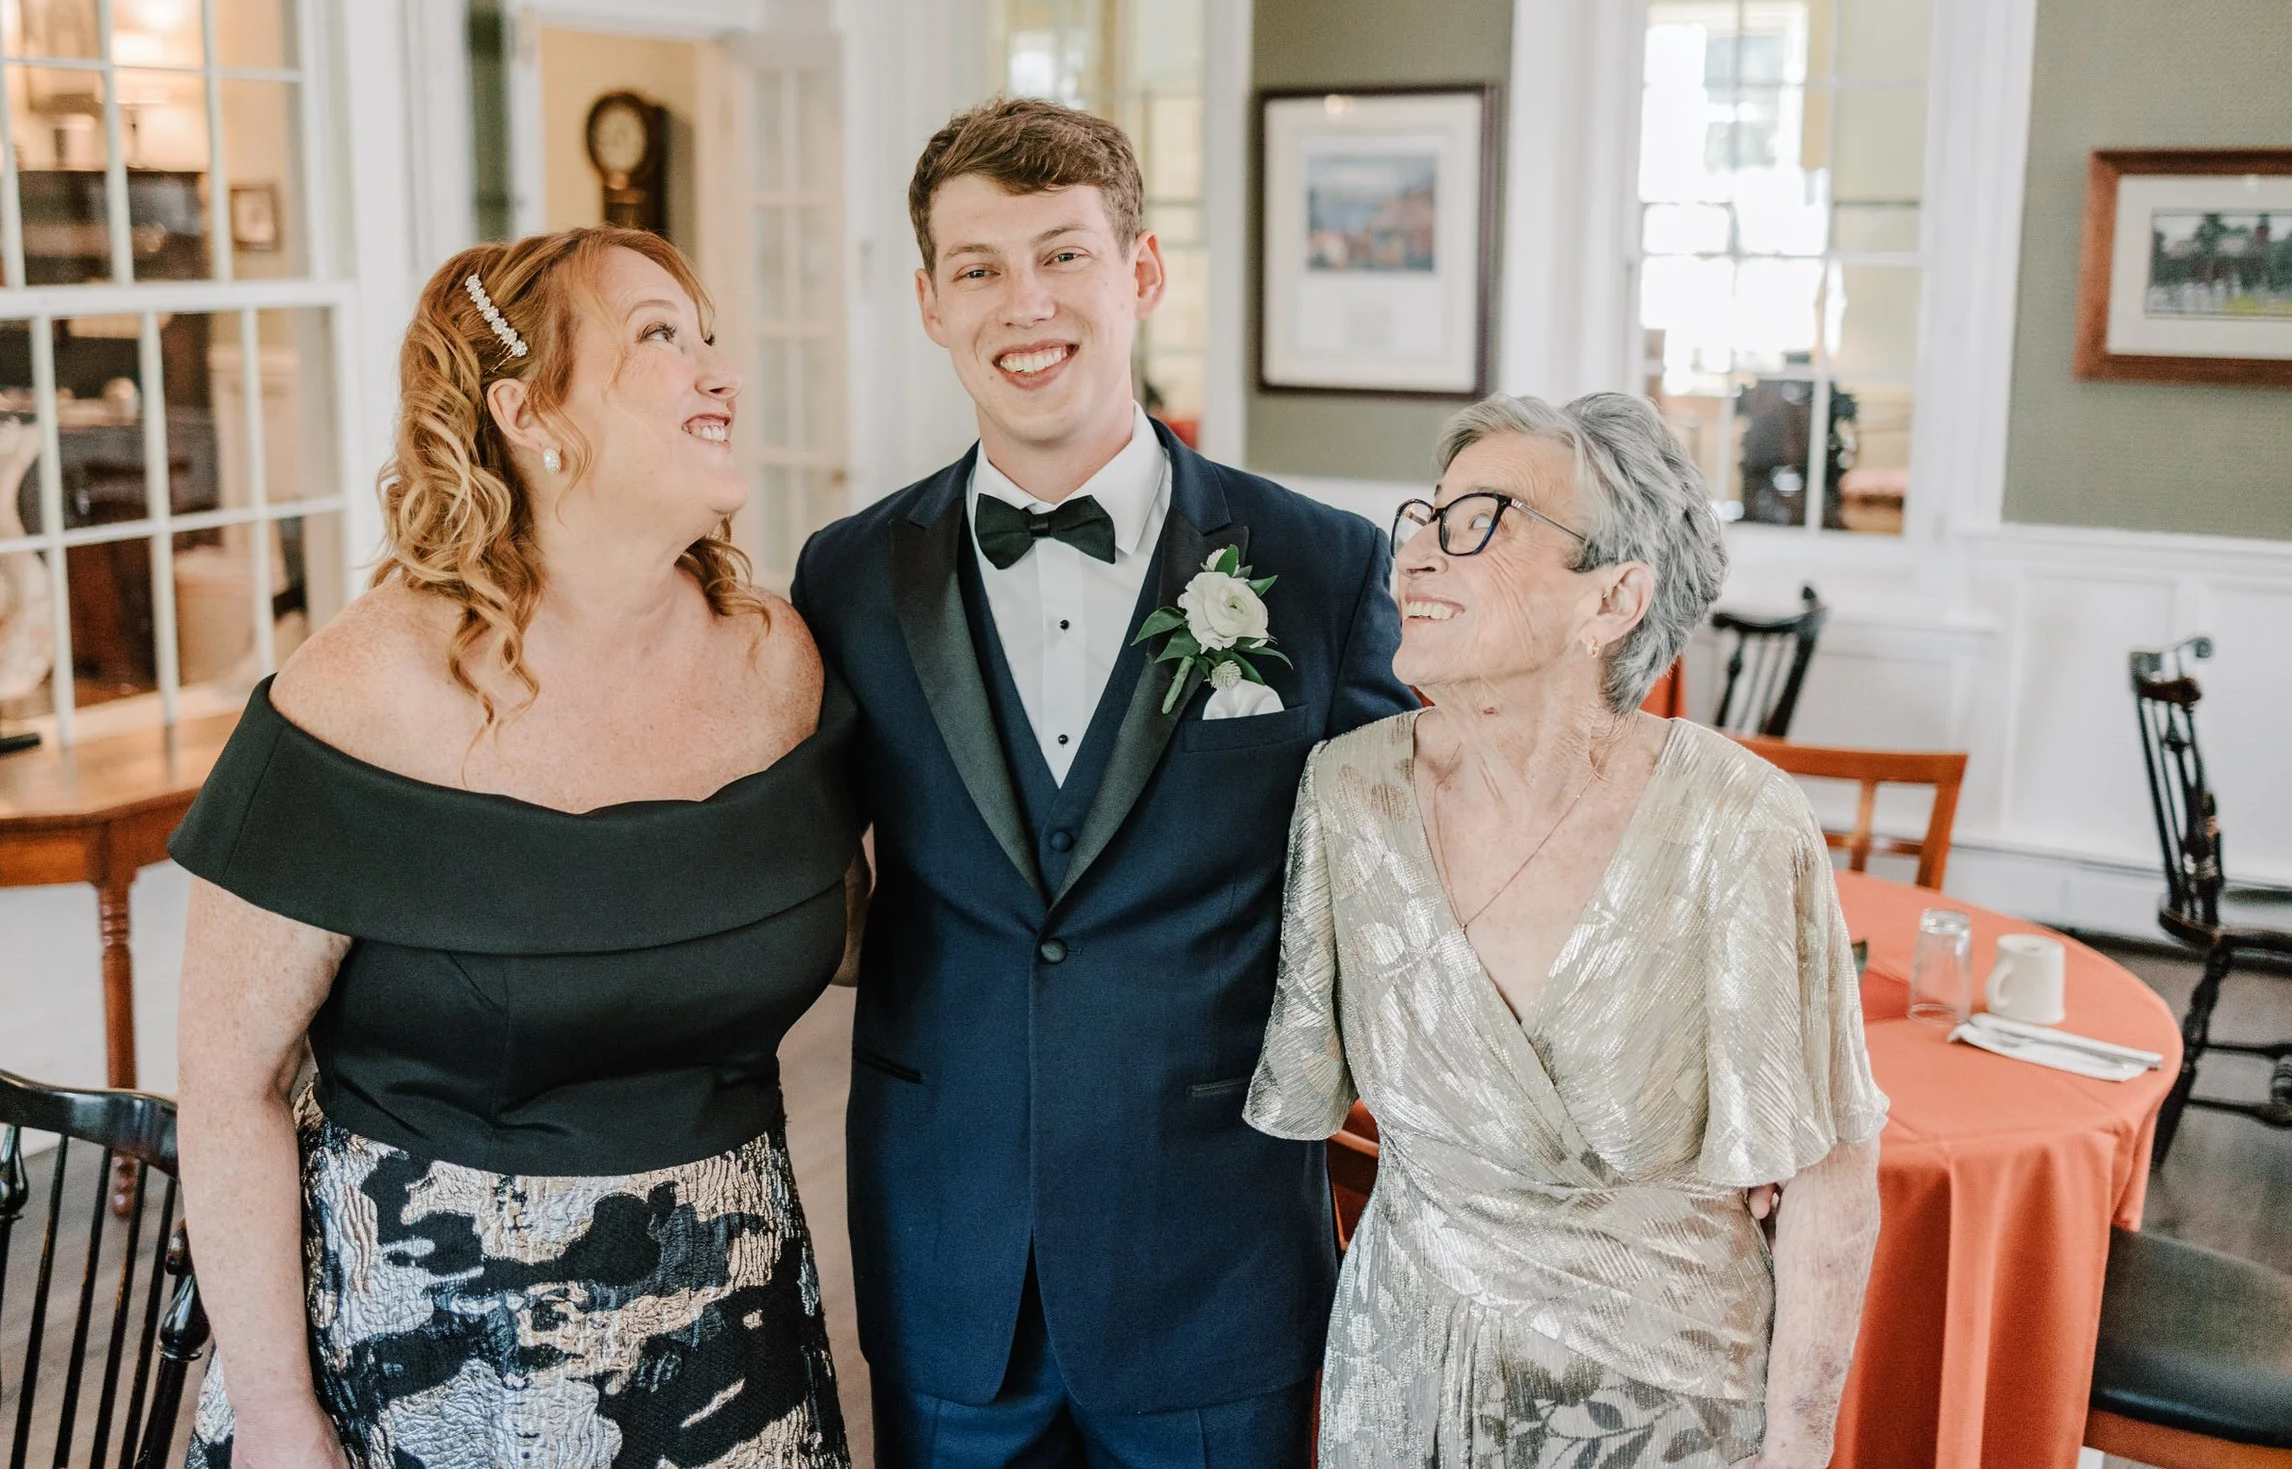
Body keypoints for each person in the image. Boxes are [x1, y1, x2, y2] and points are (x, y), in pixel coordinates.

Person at [791, 97, 1411, 1469]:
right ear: (929, 302)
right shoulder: (846, 575)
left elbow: (1408, 897)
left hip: (1214, 1257)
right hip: (948, 1250)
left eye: (1063, 254)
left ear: (1140, 272)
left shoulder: (1321, 567)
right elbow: (791, 871)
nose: (1027, 304)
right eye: (979, 266)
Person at [175, 229, 858, 1469]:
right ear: (527, 409)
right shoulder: (364, 689)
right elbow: (227, 1084)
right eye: (660, 335)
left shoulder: (778, 663)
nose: (721, 374)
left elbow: (865, 932)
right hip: (423, 1355)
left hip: (729, 1346)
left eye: (708, 338)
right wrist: (277, 1408)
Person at [1248, 390, 1888, 1468]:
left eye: (1479, 520)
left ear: (1614, 598)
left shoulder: (1736, 820)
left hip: (1664, 1403)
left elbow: (1826, 1172)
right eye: (1425, 516)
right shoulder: (1348, 793)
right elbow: (1307, 1100)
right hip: (1404, 1383)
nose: (1414, 554)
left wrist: (1798, 1451)